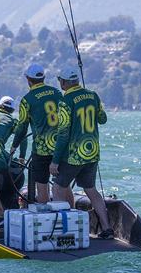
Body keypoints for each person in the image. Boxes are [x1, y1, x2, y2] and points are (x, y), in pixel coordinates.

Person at [49, 67, 114, 239]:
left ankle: (63, 232)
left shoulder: (65, 101)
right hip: (92, 152)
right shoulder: (93, 95)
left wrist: (55, 161)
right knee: (91, 189)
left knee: (58, 188)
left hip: (73, 155)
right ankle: (107, 228)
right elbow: (103, 119)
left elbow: (63, 134)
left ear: (63, 82)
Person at [10, 64, 63, 204]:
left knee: (42, 186)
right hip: (61, 146)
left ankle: (45, 216)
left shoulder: (27, 100)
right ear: (43, 78)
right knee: (63, 184)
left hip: (41, 149)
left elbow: (22, 127)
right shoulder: (57, 92)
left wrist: (14, 146)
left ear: (28, 79)